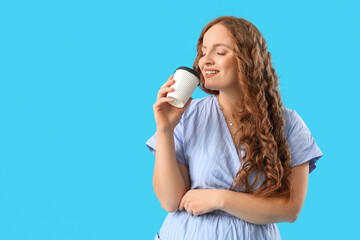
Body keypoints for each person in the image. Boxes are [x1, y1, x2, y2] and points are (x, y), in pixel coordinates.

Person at [146, 16, 324, 240]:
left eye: (219, 53)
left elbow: (290, 209)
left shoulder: (288, 124)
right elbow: (170, 201)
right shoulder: (187, 116)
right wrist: (165, 129)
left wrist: (219, 199)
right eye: (203, 52)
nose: (204, 61)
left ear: (248, 59)